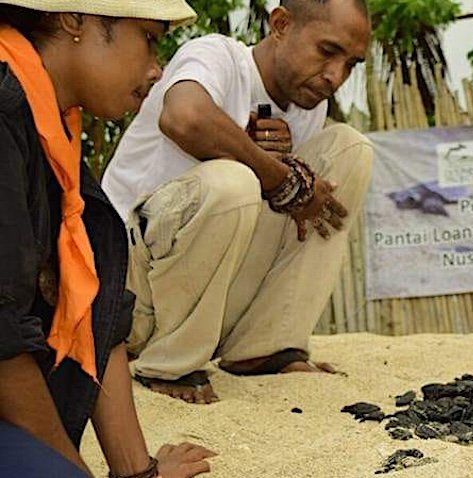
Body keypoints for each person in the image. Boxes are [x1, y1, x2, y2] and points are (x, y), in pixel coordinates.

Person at [101, 0, 373, 405]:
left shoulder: (307, 109)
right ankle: (170, 363)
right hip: (125, 292)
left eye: (351, 64)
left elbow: (279, 210)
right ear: (280, 24)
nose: (336, 76)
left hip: (211, 305)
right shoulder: (217, 56)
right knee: (234, 182)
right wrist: (279, 176)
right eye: (327, 51)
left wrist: (283, 180)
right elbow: (184, 117)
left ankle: (266, 345)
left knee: (351, 150)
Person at [0, 1, 216, 476]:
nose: (156, 69)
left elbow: (97, 298)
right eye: (150, 39)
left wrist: (139, 472)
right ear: (74, 21)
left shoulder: (53, 127)